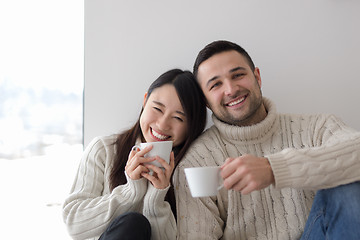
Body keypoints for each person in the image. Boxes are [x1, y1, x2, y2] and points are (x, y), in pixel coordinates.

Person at [173, 40, 360, 239]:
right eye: (216, 84)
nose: (231, 89)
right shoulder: (196, 162)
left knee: (348, 182)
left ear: (257, 77)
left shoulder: (316, 127)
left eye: (238, 75)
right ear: (206, 101)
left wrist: (274, 169)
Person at [62, 69, 207, 240]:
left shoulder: (190, 171)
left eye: (178, 118)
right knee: (133, 223)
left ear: (192, 127)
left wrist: (156, 198)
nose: (162, 124)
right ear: (145, 101)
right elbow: (74, 224)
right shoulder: (104, 150)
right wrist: (130, 192)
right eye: (157, 109)